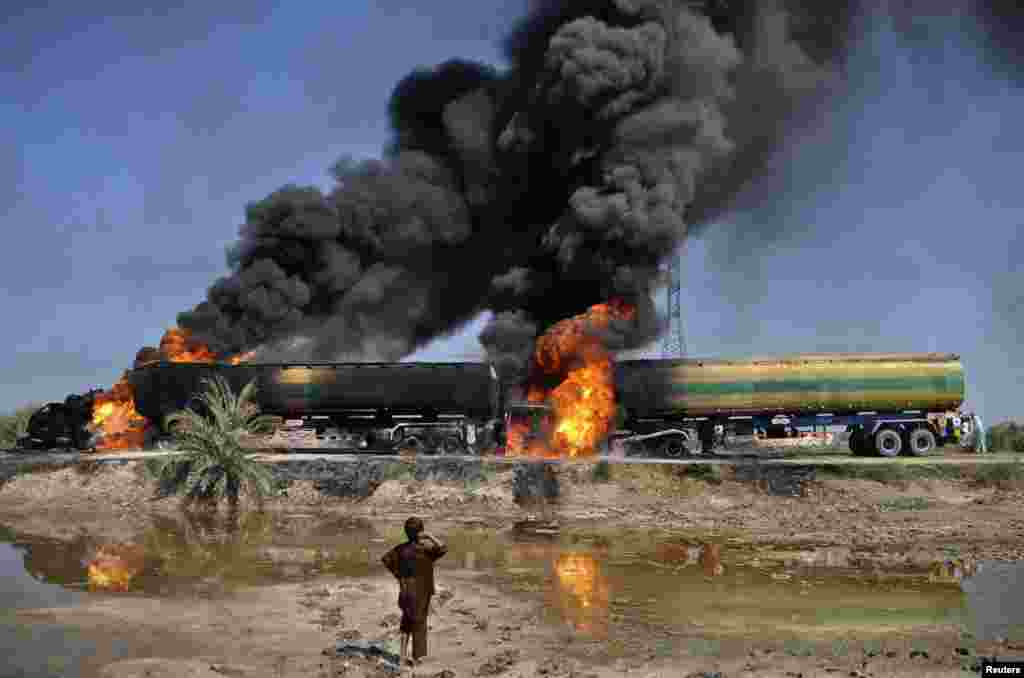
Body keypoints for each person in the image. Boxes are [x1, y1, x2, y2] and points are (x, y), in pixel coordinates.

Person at [382, 517, 447, 666]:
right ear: (420, 532)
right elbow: (443, 548)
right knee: (419, 624)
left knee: (406, 623)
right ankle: (418, 658)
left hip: (406, 590)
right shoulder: (425, 550)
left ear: (406, 532)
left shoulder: (400, 549)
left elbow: (386, 560)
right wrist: (430, 536)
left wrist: (399, 576)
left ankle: (402, 657)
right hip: (422, 591)